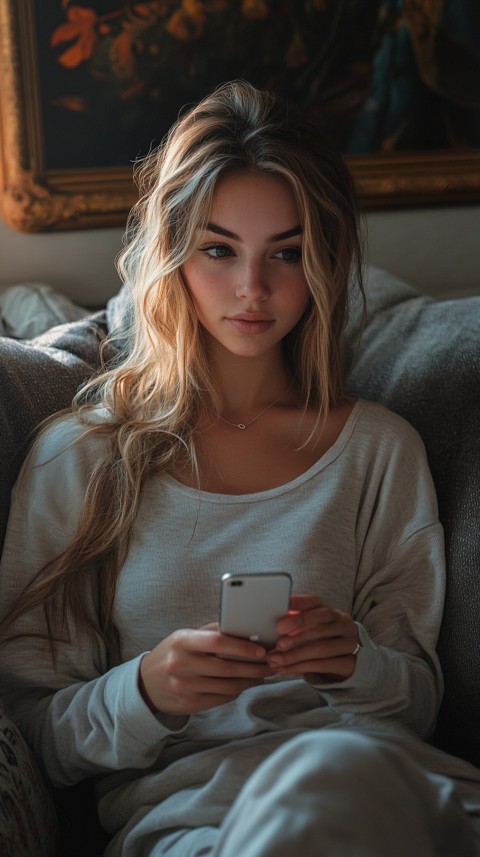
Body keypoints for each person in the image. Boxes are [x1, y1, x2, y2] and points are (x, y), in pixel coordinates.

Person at [0, 80, 479, 857]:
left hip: (397, 791)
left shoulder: (378, 449)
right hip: (203, 825)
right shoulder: (80, 455)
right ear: (172, 257)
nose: (253, 289)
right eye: (218, 250)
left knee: (342, 772)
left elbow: (418, 699)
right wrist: (148, 689)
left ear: (323, 260)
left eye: (285, 253)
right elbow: (28, 729)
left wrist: (352, 658)